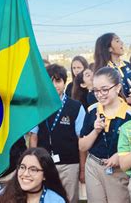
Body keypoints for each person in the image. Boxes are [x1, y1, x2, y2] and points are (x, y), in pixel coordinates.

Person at [30, 64, 86, 203]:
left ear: (64, 82)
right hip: (44, 163)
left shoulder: (76, 107)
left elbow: (81, 140)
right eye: (50, 81)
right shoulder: (39, 107)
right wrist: (33, 163)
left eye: (58, 81)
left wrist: (82, 169)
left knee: (69, 199)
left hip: (70, 164)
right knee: (46, 198)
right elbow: (33, 137)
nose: (54, 85)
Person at [79, 67, 131, 203]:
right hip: (94, 166)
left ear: (117, 88)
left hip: (118, 169)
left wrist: (119, 155)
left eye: (105, 89)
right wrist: (95, 131)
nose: (99, 94)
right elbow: (82, 146)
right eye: (96, 90)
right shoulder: (92, 110)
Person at [0, 147, 68, 203]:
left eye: (33, 169)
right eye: (22, 167)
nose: (25, 174)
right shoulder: (3, 196)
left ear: (45, 175)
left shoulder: (55, 200)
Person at [94, 33, 131, 98]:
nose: (122, 43)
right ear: (109, 48)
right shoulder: (104, 70)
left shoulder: (128, 65)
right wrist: (127, 100)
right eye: (117, 41)